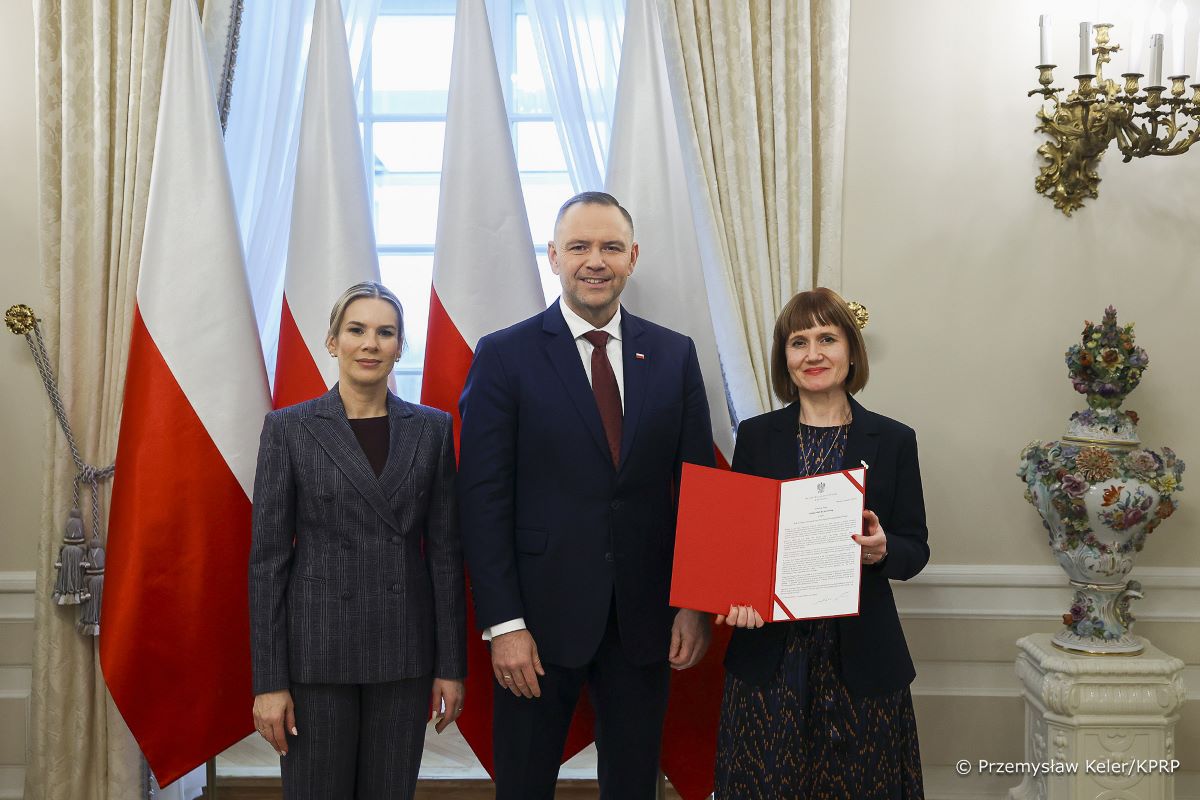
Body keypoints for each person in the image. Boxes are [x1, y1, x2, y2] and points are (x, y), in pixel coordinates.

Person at [457, 191, 715, 799]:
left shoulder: (674, 354)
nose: (594, 260)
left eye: (609, 247)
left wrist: (696, 603)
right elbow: (482, 499)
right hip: (535, 624)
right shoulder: (504, 355)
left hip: (646, 620)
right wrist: (504, 624)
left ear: (633, 258)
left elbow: (699, 486)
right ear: (553, 256)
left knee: (632, 787)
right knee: (523, 786)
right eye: (579, 247)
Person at [248, 281, 467, 800]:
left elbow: (443, 556)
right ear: (332, 341)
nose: (370, 343)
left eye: (385, 332)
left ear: (399, 347)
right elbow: (267, 564)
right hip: (316, 655)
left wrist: (451, 668)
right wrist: (268, 681)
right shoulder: (289, 428)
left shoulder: (432, 429)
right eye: (357, 330)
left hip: (405, 652)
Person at [715, 288, 928, 799]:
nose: (813, 354)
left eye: (827, 339)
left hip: (861, 657)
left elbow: (915, 548)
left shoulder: (894, 439)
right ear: (784, 359)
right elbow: (738, 549)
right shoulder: (756, 437)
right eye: (798, 342)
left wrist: (882, 551)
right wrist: (736, 595)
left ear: (851, 351)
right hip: (770, 658)